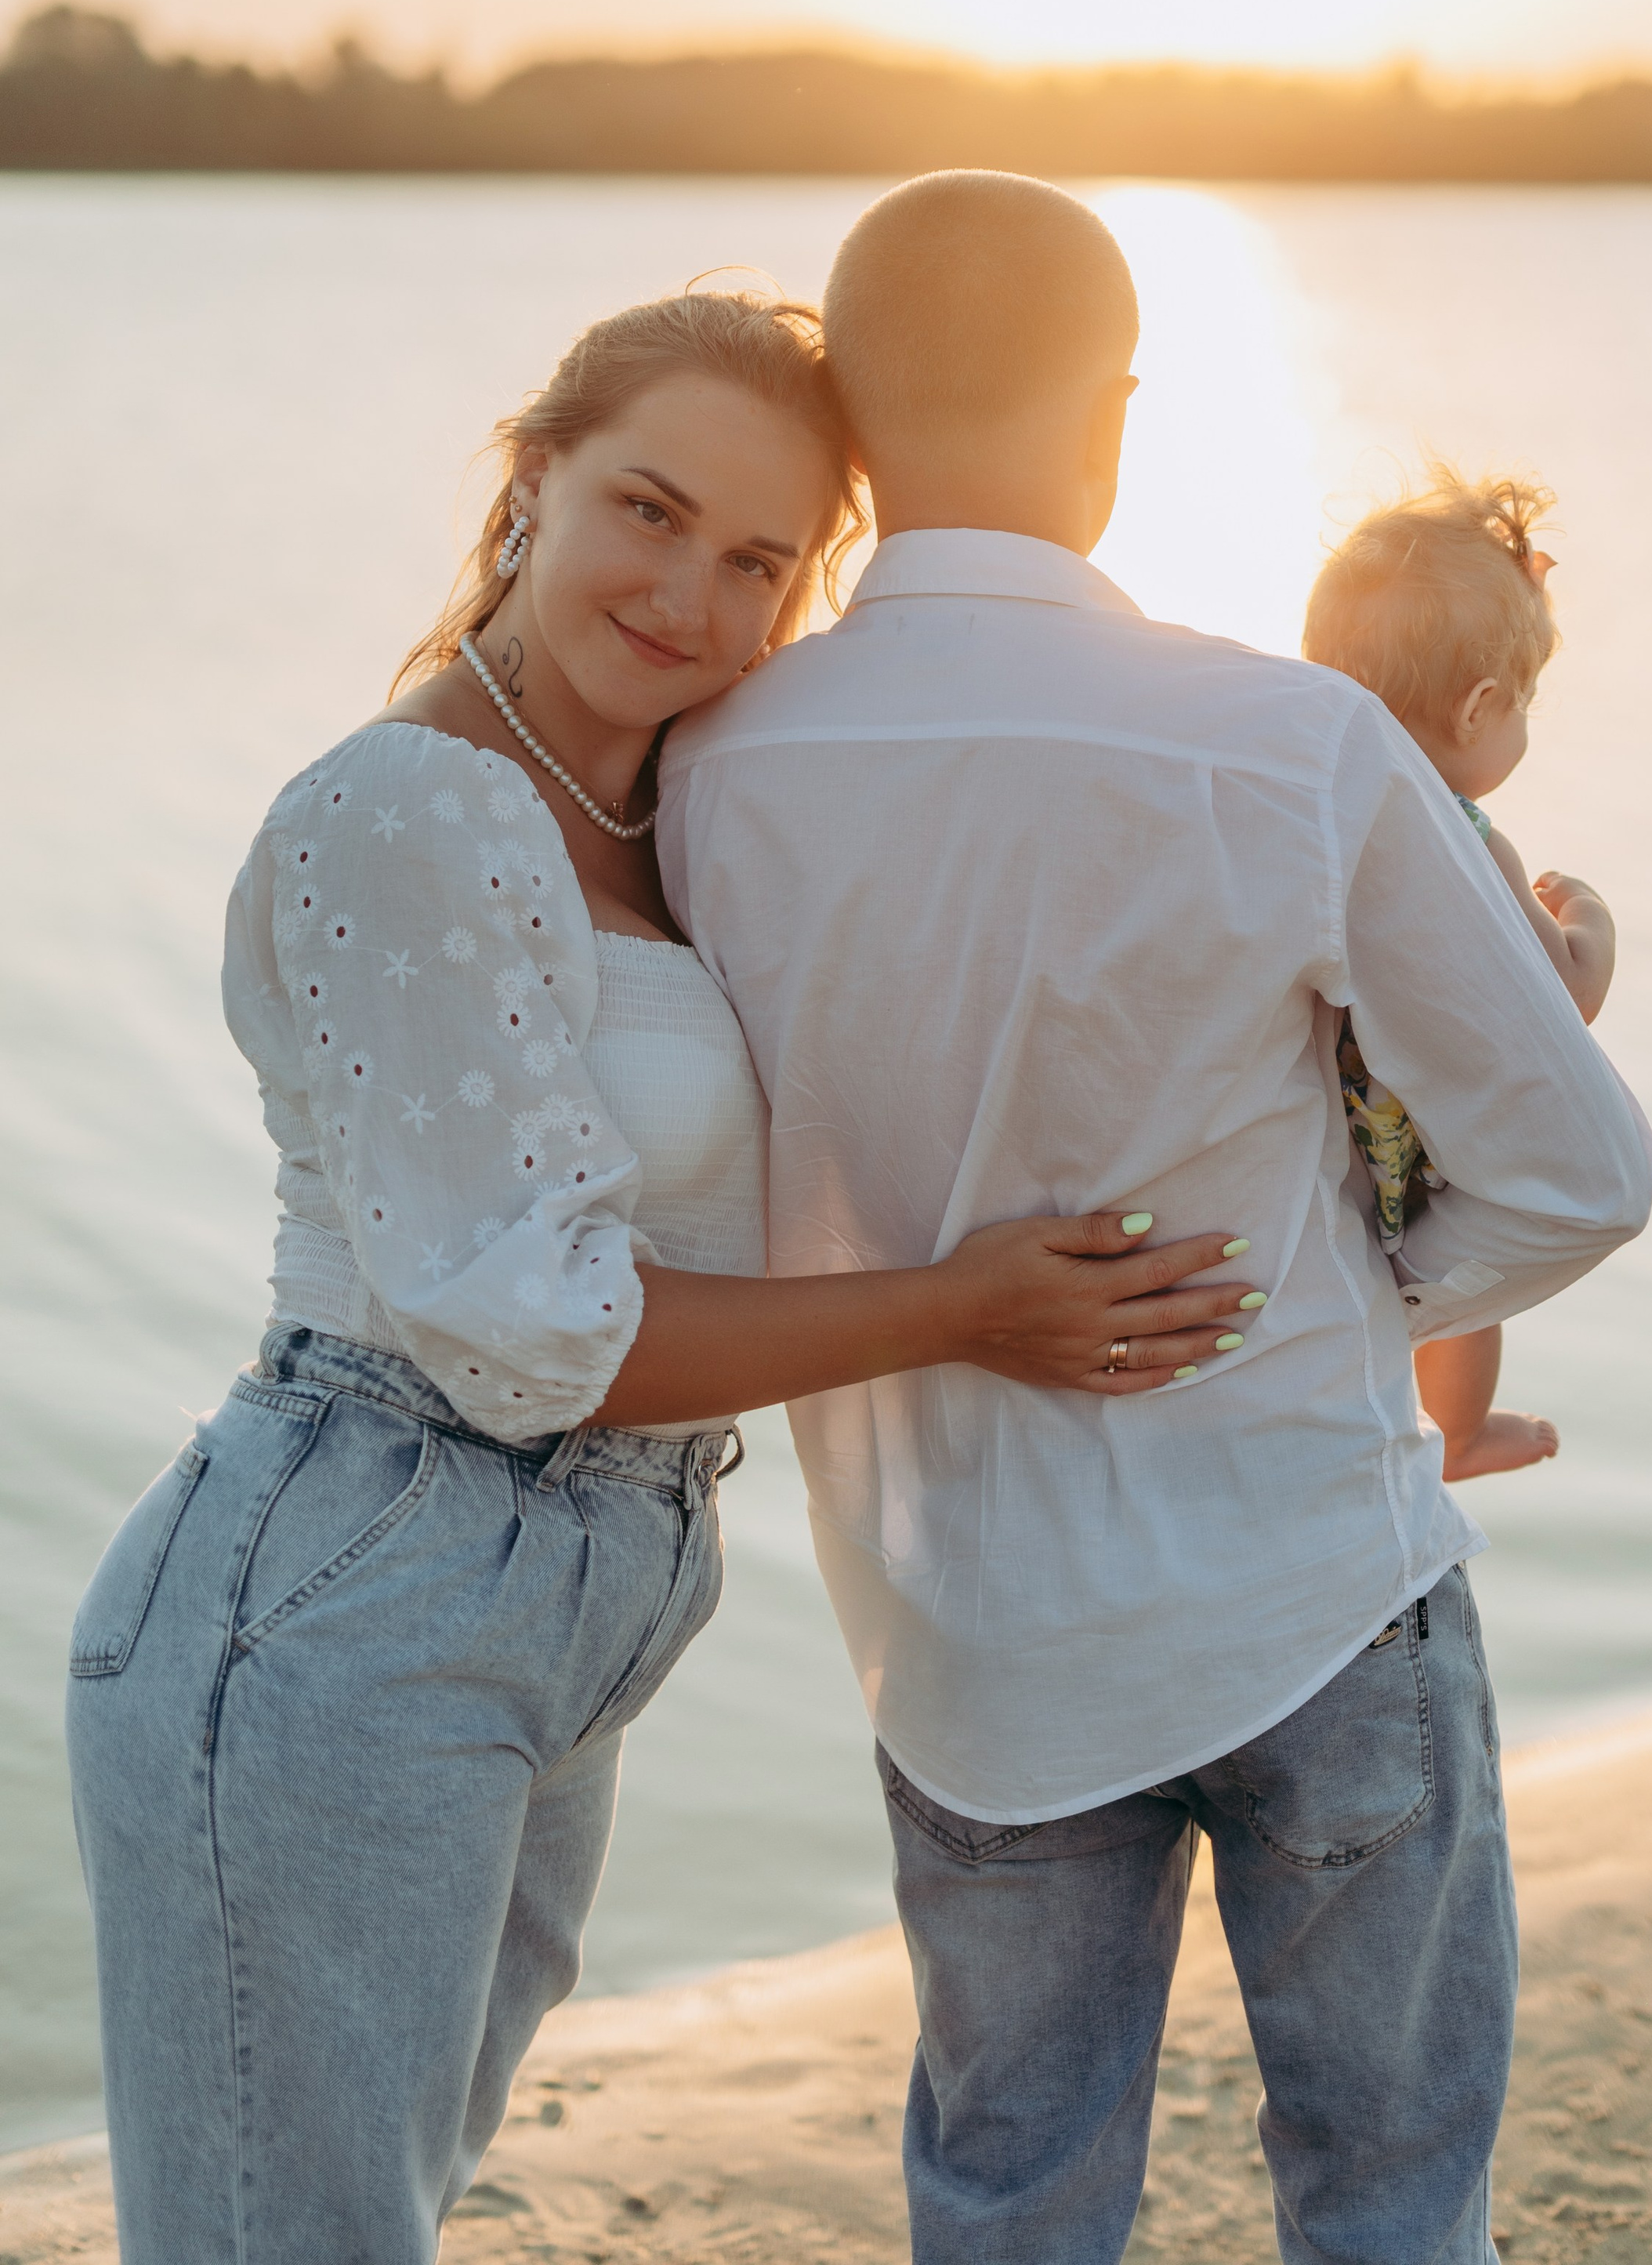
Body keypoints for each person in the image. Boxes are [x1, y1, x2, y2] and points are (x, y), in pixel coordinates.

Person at [65, 289, 1250, 2265]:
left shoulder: (681, 822)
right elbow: (534, 1329)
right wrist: (968, 1306)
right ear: (531, 479)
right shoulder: (410, 808)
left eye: (759, 558)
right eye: (648, 508)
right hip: (349, 1585)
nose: (688, 590)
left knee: (367, 2210)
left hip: (576, 1591)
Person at [654, 176, 1652, 2265]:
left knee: (1013, 2199)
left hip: (964, 1633)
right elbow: (1581, 1170)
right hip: (1315, 1573)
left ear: (853, 420)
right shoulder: (1287, 746)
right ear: (1112, 416)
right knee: (1386, 2197)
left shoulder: (710, 769)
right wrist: (1346, 1303)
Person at [1303, 468, 1617, 1482]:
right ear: (1481, 706)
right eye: (1523, 704)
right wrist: (1593, 923)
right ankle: (1462, 1432)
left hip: (1322, 1122)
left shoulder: (1312, 811)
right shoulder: (1473, 842)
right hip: (1418, 1129)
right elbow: (1563, 1000)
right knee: (1470, 1275)